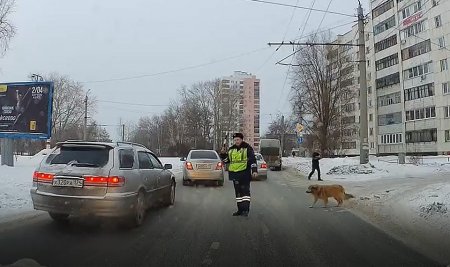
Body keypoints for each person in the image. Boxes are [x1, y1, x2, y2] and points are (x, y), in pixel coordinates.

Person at [225, 133, 258, 217]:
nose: (236, 141)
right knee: (238, 194)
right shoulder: (231, 149)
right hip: (234, 174)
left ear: (241, 139)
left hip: (245, 173)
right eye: (235, 140)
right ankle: (239, 210)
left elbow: (253, 160)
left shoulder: (247, 148)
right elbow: (227, 160)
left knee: (245, 193)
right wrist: (222, 154)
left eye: (238, 139)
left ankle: (246, 210)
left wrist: (254, 170)